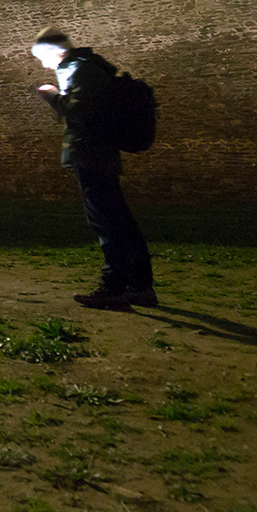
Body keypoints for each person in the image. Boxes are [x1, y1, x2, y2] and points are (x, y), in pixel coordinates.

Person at [30, 27, 156, 310]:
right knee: (119, 219)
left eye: (42, 57)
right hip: (98, 154)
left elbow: (80, 111)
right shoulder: (87, 69)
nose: (42, 64)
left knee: (107, 221)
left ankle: (114, 289)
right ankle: (140, 286)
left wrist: (51, 96)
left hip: (92, 155)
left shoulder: (79, 70)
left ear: (54, 51)